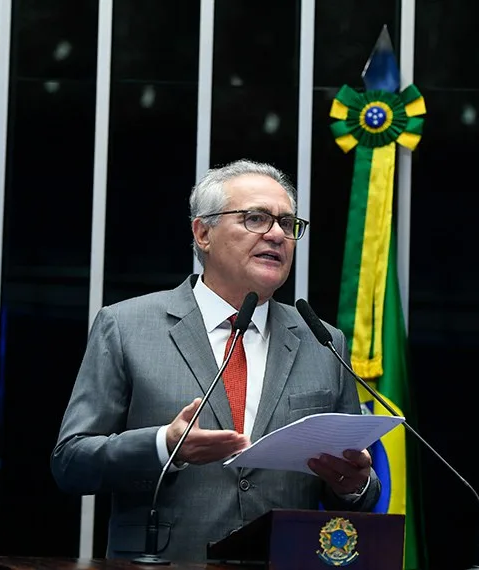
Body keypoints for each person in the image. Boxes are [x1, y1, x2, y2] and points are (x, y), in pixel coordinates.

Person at [50, 159, 381, 562]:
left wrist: (355, 485)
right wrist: (164, 445)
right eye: (256, 218)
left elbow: (354, 495)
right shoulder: (126, 326)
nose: (277, 234)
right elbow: (71, 462)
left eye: (287, 223)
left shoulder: (322, 341)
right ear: (203, 233)